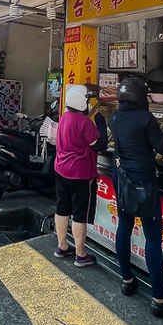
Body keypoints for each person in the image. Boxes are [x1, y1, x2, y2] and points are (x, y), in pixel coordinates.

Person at [110, 77, 163, 319]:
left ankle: (127, 280)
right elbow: (162, 147)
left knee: (125, 226)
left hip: (122, 178)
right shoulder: (145, 118)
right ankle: (160, 300)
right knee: (152, 237)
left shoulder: (114, 117)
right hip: (143, 182)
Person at [53, 84, 108, 267]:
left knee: (62, 208)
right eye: (88, 100)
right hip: (79, 174)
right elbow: (99, 145)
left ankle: (62, 246)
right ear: (82, 102)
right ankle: (80, 254)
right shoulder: (84, 122)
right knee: (79, 214)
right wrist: (102, 123)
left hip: (61, 170)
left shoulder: (64, 117)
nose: (90, 103)